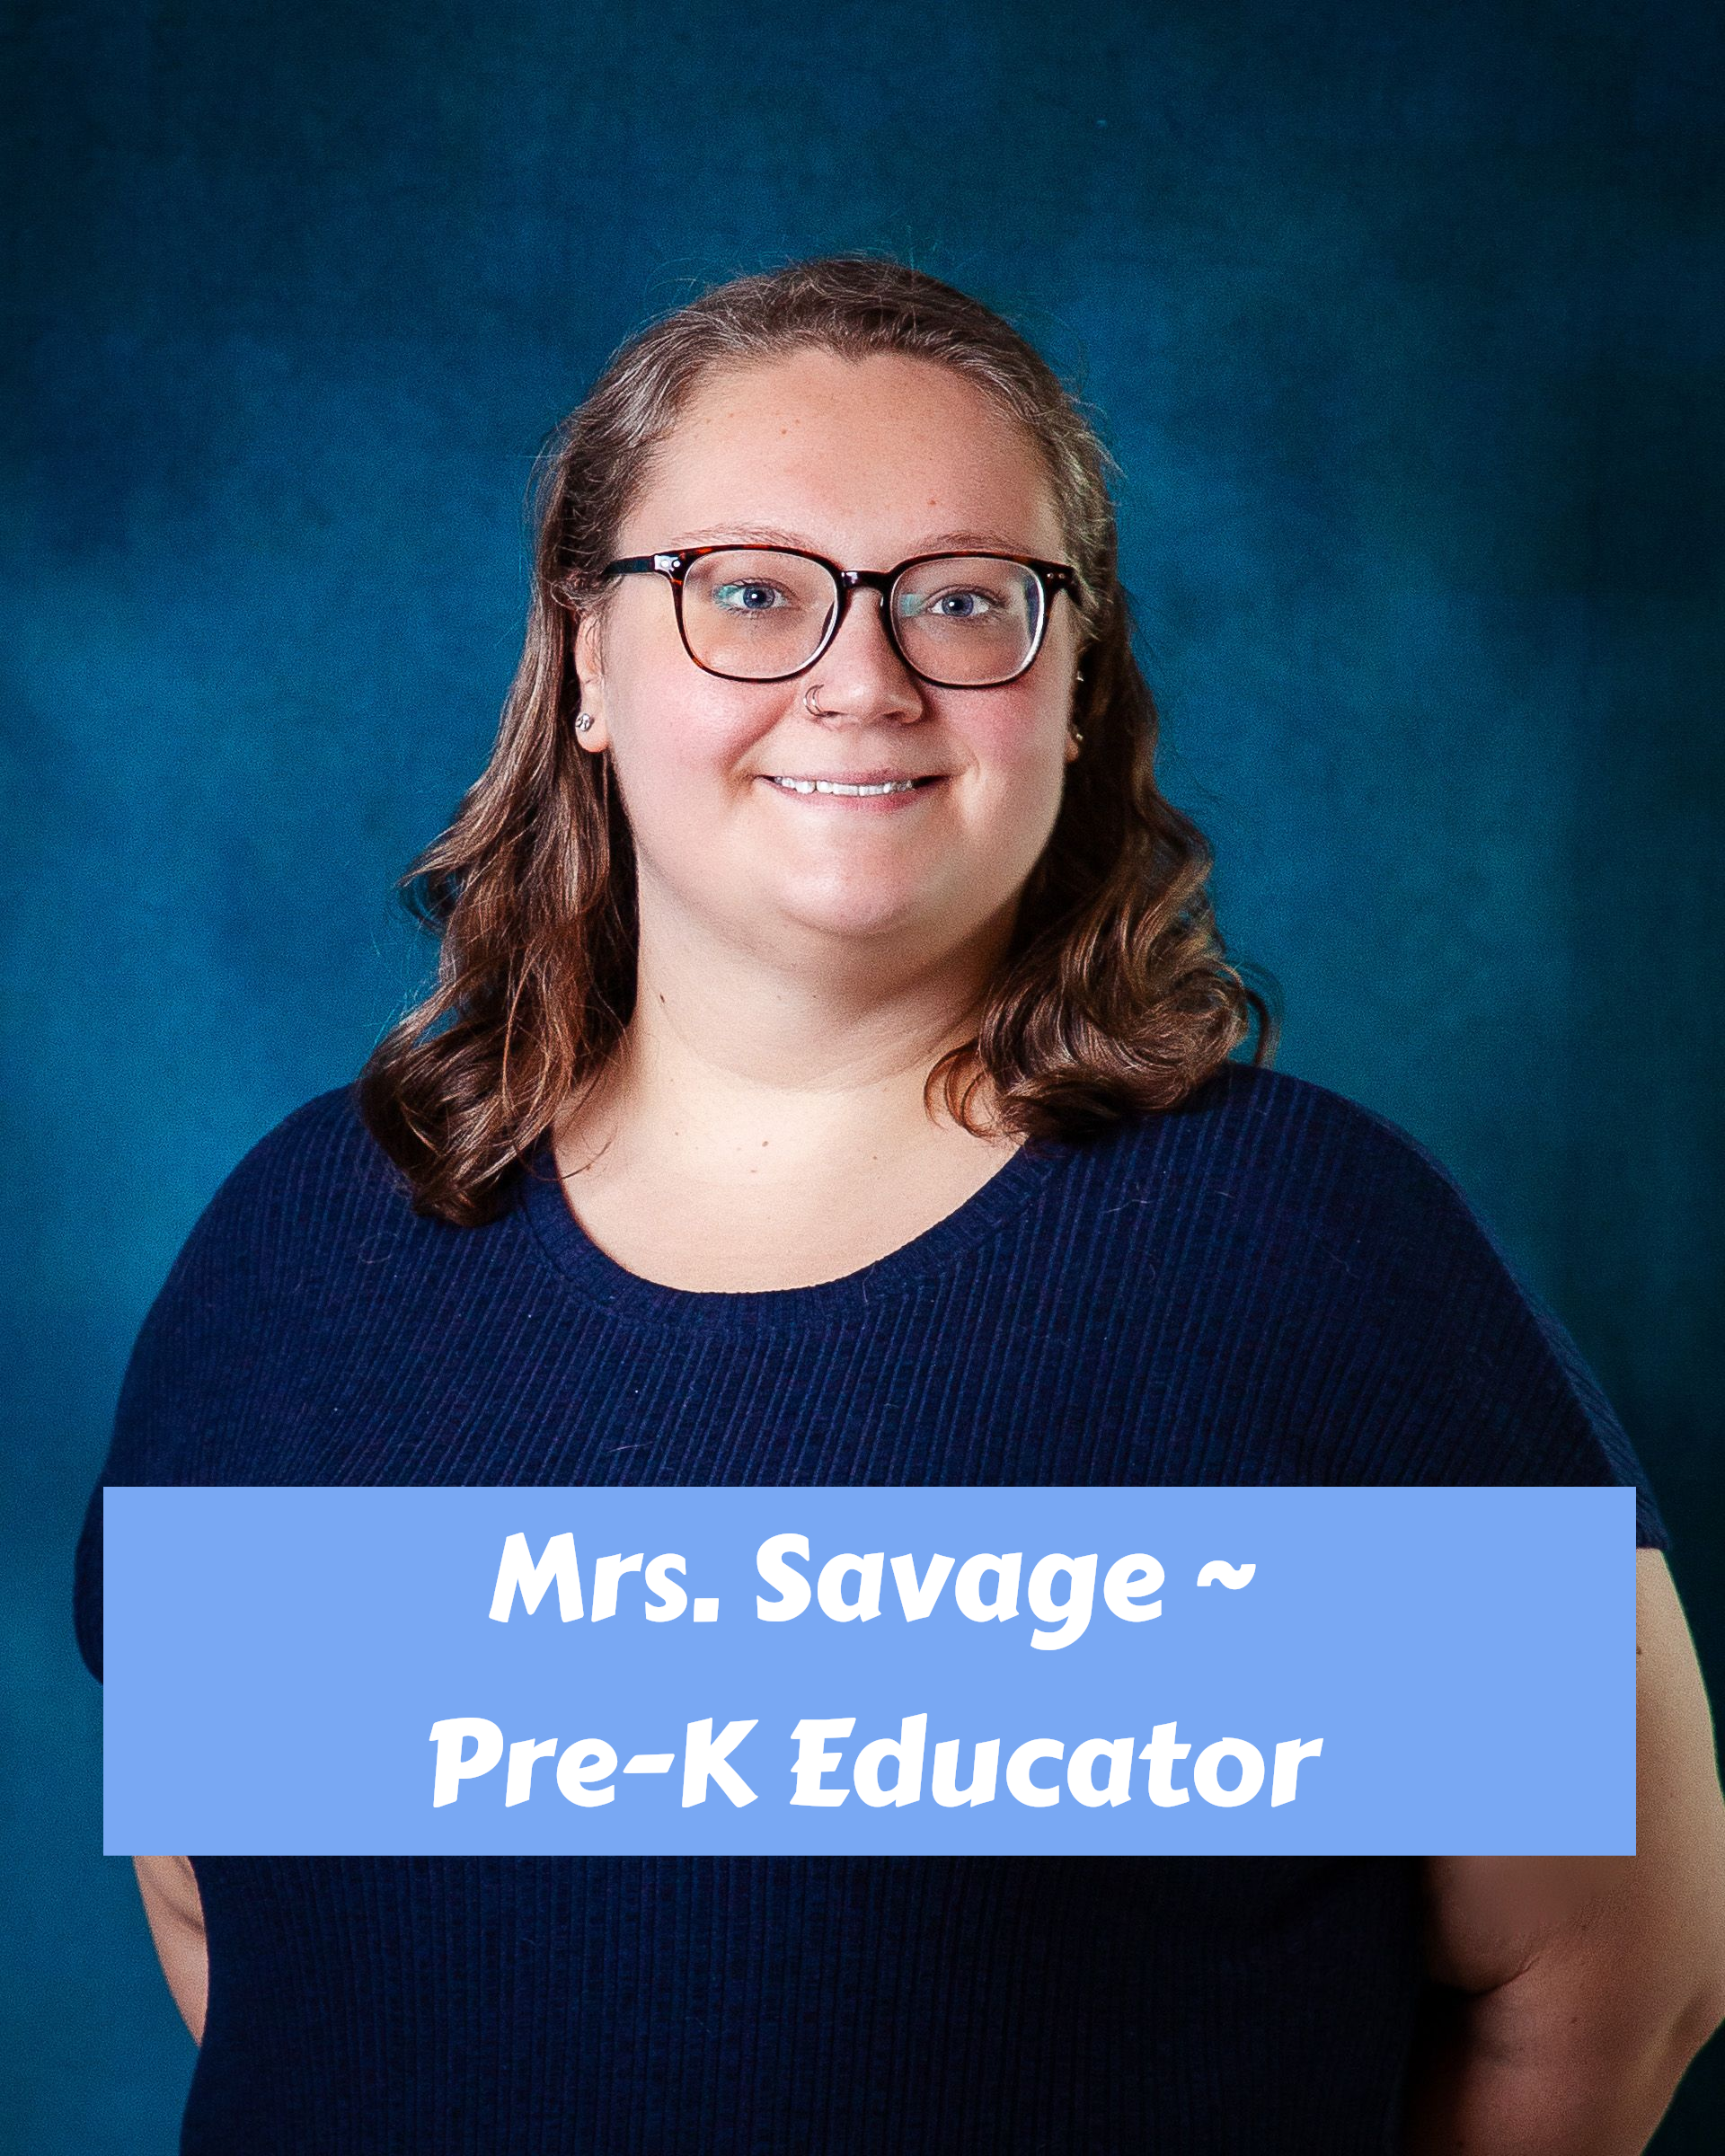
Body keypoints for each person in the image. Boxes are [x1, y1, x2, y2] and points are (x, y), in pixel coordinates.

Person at [76, 255, 1725, 2154]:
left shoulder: (1310, 1268)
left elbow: (1599, 1996)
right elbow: (244, 1936)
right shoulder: (302, 1252)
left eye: (963, 602)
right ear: (587, 664)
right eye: (751, 594)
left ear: (1078, 681)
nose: (862, 681)